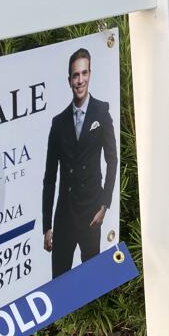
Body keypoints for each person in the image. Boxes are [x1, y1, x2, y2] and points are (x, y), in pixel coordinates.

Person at [42, 47, 117, 277]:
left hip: (91, 214)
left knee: (93, 282)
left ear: (90, 74)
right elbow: (50, 178)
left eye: (84, 73)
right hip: (64, 216)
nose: (80, 80)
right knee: (59, 287)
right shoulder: (59, 123)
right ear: (69, 80)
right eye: (76, 75)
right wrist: (47, 226)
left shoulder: (101, 112)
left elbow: (112, 160)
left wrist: (104, 205)